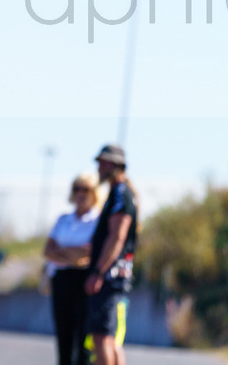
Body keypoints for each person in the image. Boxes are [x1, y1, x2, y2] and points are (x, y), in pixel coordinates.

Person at [84, 145, 139, 365]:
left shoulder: (121, 194)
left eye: (104, 163)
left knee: (102, 339)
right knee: (109, 340)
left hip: (110, 278)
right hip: (112, 277)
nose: (99, 167)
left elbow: (117, 237)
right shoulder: (119, 193)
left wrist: (98, 271)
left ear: (116, 166)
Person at [44, 173, 101, 365]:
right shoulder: (63, 220)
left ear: (94, 193)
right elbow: (49, 250)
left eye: (86, 190)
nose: (81, 194)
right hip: (61, 279)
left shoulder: (97, 221)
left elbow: (89, 252)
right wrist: (72, 255)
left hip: (84, 280)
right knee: (63, 332)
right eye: (77, 189)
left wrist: (65, 252)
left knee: (83, 333)